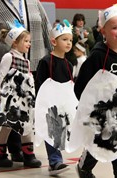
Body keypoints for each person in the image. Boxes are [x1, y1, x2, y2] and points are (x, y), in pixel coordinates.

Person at [0, 0, 52, 164]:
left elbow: (46, 28)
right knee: (10, 112)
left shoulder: (34, 3)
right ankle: (13, 150)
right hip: (4, 62)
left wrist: (54, 56)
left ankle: (26, 152)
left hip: (33, 61)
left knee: (26, 111)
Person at [73, 3, 117, 178]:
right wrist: (88, 108)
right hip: (102, 114)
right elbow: (81, 85)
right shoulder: (97, 56)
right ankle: (84, 167)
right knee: (99, 145)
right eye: (115, 27)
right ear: (103, 31)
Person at [0, 21, 41, 168]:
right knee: (7, 126)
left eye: (29, 41)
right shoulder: (9, 57)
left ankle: (29, 155)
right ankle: (0, 156)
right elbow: (1, 77)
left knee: (26, 125)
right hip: (10, 100)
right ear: (14, 43)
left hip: (24, 100)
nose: (29, 44)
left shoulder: (26, 61)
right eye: (26, 41)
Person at [35, 19, 73, 176]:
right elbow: (40, 85)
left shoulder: (69, 65)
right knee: (52, 131)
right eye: (65, 39)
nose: (69, 43)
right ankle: (55, 161)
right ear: (53, 41)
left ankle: (56, 161)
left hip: (63, 105)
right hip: (49, 105)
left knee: (61, 132)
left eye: (70, 40)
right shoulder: (46, 62)